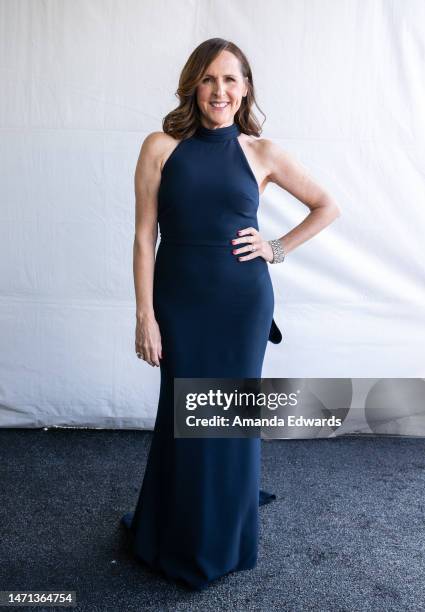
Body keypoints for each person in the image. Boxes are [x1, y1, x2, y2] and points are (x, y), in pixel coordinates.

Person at [121, 38, 341, 591]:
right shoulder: (160, 146)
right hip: (179, 300)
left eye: (230, 80)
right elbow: (145, 235)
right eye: (209, 79)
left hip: (242, 303)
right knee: (184, 415)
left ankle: (224, 539)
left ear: (245, 89)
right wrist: (144, 315)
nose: (220, 91)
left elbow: (327, 206)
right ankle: (173, 529)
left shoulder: (261, 152)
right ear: (193, 84)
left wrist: (277, 247)